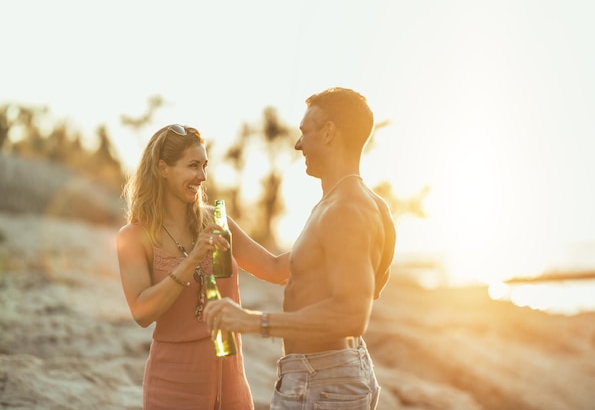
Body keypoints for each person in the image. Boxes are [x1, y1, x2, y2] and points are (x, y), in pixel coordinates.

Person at [203, 87, 397, 410]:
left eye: (304, 132)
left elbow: (352, 313)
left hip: (322, 381)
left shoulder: (345, 210)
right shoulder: (361, 205)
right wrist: (220, 223)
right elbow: (281, 269)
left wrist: (254, 322)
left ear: (329, 132)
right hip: (332, 372)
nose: (298, 144)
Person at [116, 124, 289, 410]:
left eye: (205, 166)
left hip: (230, 375)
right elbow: (142, 312)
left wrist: (329, 241)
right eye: (193, 166)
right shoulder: (133, 237)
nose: (203, 176)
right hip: (173, 381)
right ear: (162, 168)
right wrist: (193, 259)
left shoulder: (216, 220)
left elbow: (274, 267)